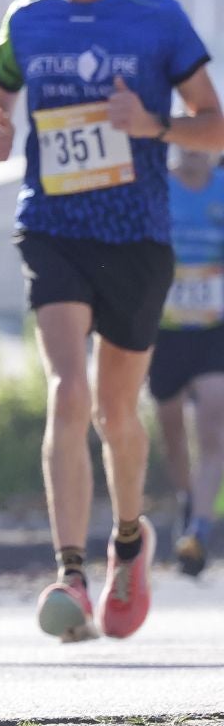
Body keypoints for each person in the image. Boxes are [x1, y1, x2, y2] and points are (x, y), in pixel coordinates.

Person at [0, 0, 222, 641]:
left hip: (138, 239)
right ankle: (69, 573)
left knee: (118, 411)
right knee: (67, 388)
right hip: (52, 227)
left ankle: (128, 542)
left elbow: (213, 125)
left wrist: (154, 123)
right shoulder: (28, 21)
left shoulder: (157, 18)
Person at [151, 145, 224, 576]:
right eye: (186, 139)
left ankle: (200, 526)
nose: (194, 151)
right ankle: (185, 498)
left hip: (215, 328)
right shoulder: (158, 189)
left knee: (214, 418)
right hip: (165, 329)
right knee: (171, 423)